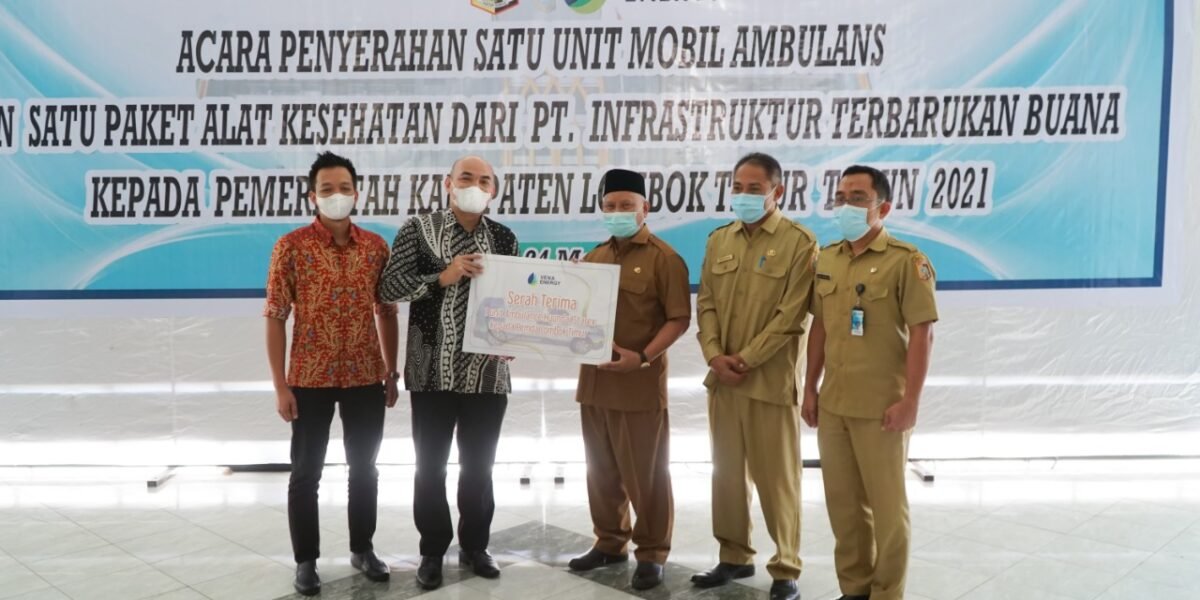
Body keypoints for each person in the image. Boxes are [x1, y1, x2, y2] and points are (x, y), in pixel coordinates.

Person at [377, 155, 518, 590]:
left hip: (487, 375)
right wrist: (443, 275)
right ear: (448, 183)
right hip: (430, 372)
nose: (474, 186)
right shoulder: (417, 230)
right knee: (430, 467)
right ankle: (432, 551)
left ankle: (476, 546)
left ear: (494, 190)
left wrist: (515, 335)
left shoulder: (504, 237)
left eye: (484, 180)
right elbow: (388, 287)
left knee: (480, 468)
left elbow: (515, 299)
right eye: (466, 178)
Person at [264, 151, 399, 596]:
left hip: (365, 374)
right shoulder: (291, 246)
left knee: (365, 469)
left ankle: (363, 548)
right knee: (306, 474)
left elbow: (386, 312)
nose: (336, 195)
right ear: (312, 196)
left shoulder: (376, 247)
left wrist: (391, 371)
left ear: (356, 193)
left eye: (344, 188)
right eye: (326, 189)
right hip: (309, 377)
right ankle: (306, 561)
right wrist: (280, 385)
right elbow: (275, 316)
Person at [803, 164, 938, 600]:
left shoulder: (906, 261)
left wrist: (910, 401)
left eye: (858, 198)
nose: (846, 205)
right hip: (834, 404)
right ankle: (855, 588)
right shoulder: (827, 258)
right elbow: (820, 328)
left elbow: (922, 333)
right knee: (844, 507)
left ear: (884, 207)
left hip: (883, 408)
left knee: (887, 511)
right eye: (841, 197)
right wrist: (810, 387)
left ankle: (886, 593)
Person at [693, 153, 817, 600]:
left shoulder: (799, 242)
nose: (743, 195)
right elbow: (706, 302)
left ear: (776, 192)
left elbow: (791, 316)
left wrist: (744, 359)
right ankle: (734, 556)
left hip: (769, 382)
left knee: (778, 480)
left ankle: (786, 566)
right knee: (726, 476)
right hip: (723, 381)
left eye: (754, 188)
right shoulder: (719, 240)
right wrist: (713, 355)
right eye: (737, 187)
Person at [566, 168, 691, 590]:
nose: (617, 211)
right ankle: (609, 542)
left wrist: (642, 357)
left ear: (645, 208)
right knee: (600, 471)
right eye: (610, 205)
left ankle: (652, 552)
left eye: (626, 205)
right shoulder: (595, 257)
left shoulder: (664, 259)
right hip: (595, 383)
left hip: (639, 385)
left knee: (647, 475)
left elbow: (679, 319)